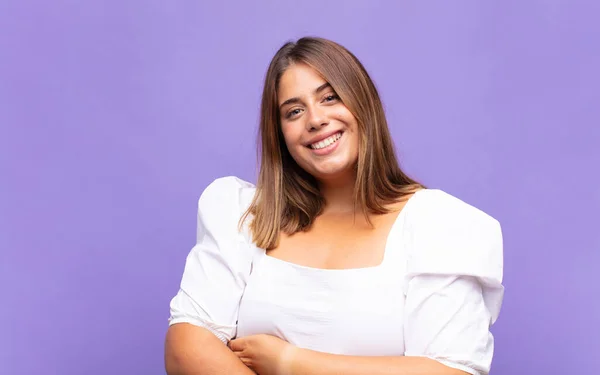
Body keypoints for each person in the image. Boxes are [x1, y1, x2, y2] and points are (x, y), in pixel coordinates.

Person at [164, 37, 504, 375]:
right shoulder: (244, 215)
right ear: (279, 133)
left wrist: (290, 362)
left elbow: (449, 371)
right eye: (294, 111)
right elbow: (187, 347)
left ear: (364, 103)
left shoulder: (441, 225)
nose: (315, 119)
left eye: (330, 97)